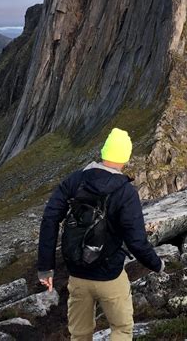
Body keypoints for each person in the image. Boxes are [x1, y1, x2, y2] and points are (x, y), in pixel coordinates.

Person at [37, 127, 164, 341]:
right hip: (110, 275)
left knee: (79, 334)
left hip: (77, 274)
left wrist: (45, 268)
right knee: (122, 329)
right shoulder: (126, 193)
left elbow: (50, 219)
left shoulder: (75, 181)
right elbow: (136, 241)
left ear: (104, 151)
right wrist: (157, 265)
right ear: (126, 157)